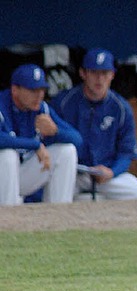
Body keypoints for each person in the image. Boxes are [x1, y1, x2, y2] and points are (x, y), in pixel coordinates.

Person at [51, 48, 137, 200]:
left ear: (112, 75)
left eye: (105, 73)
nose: (99, 79)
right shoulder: (64, 103)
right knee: (54, 202)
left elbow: (126, 153)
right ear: (83, 73)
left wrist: (112, 172)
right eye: (94, 72)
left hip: (106, 173)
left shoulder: (120, 107)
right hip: (72, 173)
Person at [0, 64, 81, 206]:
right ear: (15, 90)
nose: (39, 95)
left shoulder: (41, 108)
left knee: (67, 151)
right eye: (32, 90)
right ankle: (7, 220)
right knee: (7, 155)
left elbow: (78, 140)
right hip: (3, 176)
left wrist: (55, 131)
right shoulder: (2, 104)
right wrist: (35, 145)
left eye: (42, 89)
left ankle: (58, 217)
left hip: (20, 177)